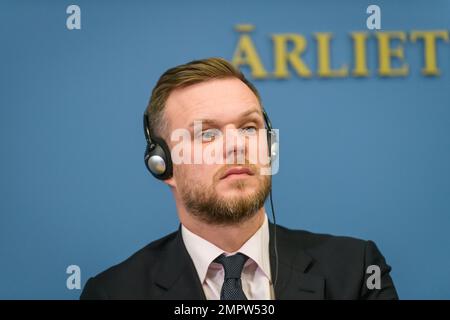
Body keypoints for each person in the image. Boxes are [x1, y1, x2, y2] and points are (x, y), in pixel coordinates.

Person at [80, 57, 398, 300]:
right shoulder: (113, 293)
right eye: (206, 133)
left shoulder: (357, 270)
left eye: (249, 128)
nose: (237, 145)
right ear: (163, 164)